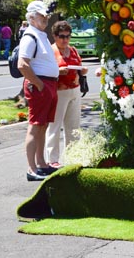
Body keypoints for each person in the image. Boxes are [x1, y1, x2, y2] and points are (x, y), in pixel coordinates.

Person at [18, 1, 60, 181]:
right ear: (32, 17)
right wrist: (39, 84)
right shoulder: (30, 36)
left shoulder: (40, 34)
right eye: (42, 15)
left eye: (46, 15)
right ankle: (32, 169)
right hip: (40, 85)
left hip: (48, 84)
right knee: (35, 126)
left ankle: (41, 164)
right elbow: (22, 64)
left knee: (43, 126)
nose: (46, 18)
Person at [45, 21, 88, 167]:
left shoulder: (73, 50)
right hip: (58, 92)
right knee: (55, 126)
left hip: (74, 90)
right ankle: (53, 159)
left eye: (68, 36)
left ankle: (73, 156)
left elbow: (79, 66)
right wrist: (58, 71)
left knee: (73, 126)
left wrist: (82, 71)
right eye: (62, 36)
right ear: (55, 36)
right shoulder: (50, 51)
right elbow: (44, 72)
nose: (65, 40)